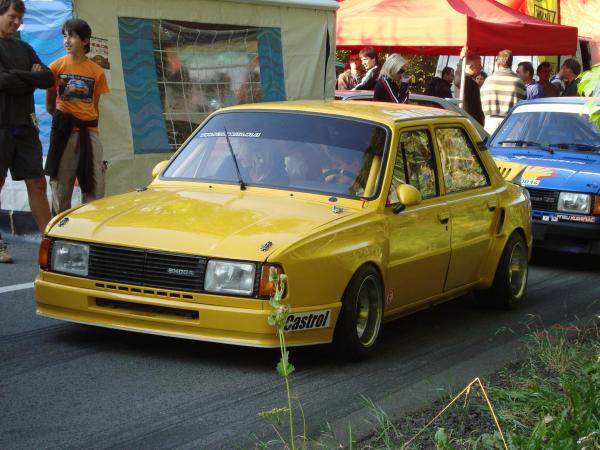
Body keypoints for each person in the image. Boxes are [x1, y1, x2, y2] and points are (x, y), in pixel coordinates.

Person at [0, 0, 54, 263]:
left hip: (26, 127)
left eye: (20, 18)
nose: (17, 22)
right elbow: (2, 81)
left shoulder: (25, 47)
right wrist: (30, 79)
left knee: (37, 183)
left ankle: (50, 242)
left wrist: (16, 76)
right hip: (1, 126)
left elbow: (49, 78)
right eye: (12, 16)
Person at [45, 18, 110, 214]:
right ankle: (60, 225)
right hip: (65, 132)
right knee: (61, 183)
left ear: (85, 40)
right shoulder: (55, 67)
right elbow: (50, 105)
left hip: (89, 132)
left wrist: (88, 127)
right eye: (65, 36)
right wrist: (65, 121)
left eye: (72, 36)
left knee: (95, 182)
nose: (67, 41)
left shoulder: (97, 71)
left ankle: (91, 223)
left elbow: (95, 107)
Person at [480, 49, 526, 134]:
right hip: (512, 122)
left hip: (491, 122)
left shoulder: (488, 81)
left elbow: (482, 103)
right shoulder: (519, 82)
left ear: (497, 63)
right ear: (511, 63)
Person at [454, 47, 485, 126]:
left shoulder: (470, 81)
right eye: (479, 66)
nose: (481, 68)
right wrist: (461, 60)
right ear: (471, 67)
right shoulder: (464, 80)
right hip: (468, 123)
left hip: (473, 123)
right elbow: (457, 80)